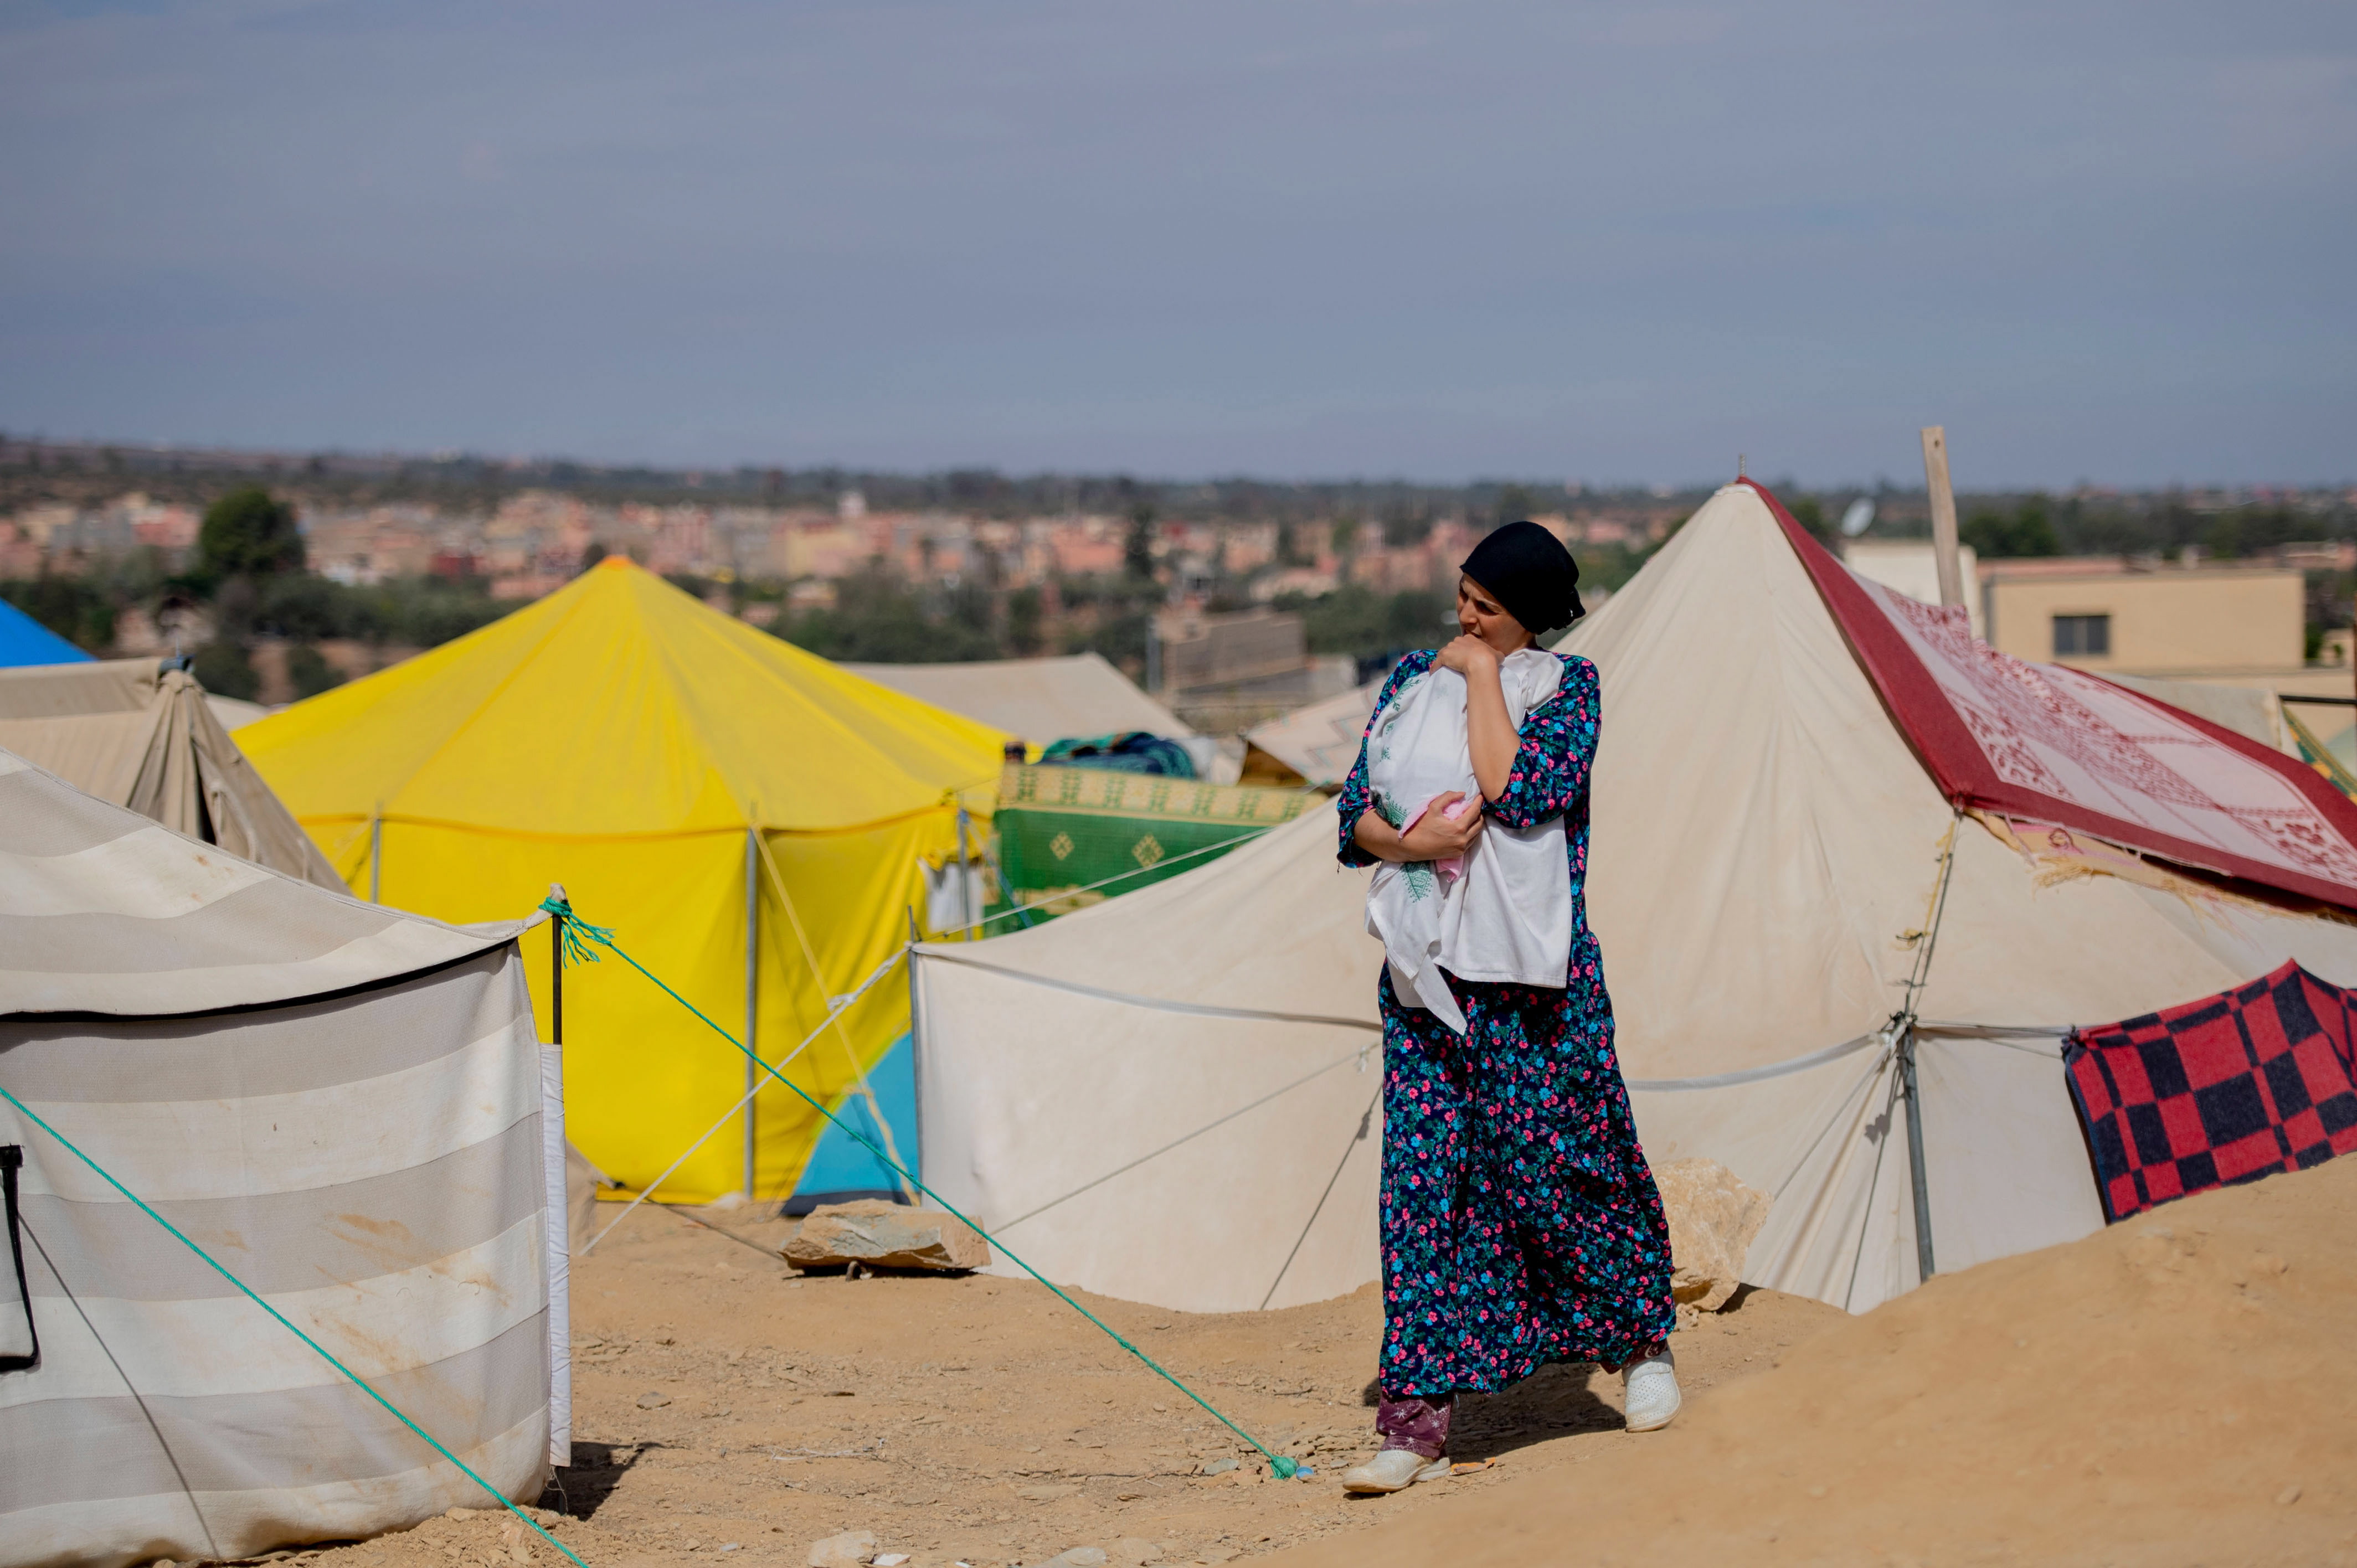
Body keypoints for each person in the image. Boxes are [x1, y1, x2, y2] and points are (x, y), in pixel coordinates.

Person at [1335, 521, 1678, 1495]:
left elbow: (1522, 792)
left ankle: (1638, 1347)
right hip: (1426, 985)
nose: (1466, 618)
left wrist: (1484, 678)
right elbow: (1353, 810)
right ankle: (1415, 1421)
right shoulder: (1410, 681)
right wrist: (1406, 847)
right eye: (1463, 597)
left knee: (1563, 1167)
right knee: (1425, 1188)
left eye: (1488, 606)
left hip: (1533, 984)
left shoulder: (1566, 690)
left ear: (1529, 614)